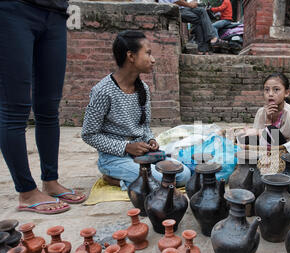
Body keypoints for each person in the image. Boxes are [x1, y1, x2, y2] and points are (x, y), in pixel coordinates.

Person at [0, 0, 86, 215]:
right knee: (14, 109)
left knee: (49, 108)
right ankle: (27, 192)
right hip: (13, 10)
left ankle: (50, 181)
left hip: (55, 12)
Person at [81, 31, 191, 190]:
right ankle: (114, 178)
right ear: (131, 56)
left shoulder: (143, 89)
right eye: (148, 53)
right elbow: (88, 134)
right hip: (114, 158)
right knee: (160, 181)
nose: (153, 59)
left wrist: (150, 140)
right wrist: (126, 147)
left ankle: (129, 180)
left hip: (142, 155)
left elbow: (144, 127)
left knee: (183, 174)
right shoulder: (103, 91)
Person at [239, 73, 290, 154]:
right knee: (242, 137)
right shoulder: (261, 112)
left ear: (286, 93)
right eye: (267, 90)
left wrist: (266, 124)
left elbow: (284, 140)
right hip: (265, 145)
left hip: (284, 150)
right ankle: (253, 162)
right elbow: (259, 135)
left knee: (271, 130)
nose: (270, 94)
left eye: (276, 90)